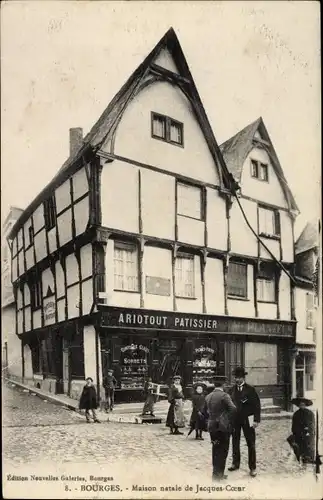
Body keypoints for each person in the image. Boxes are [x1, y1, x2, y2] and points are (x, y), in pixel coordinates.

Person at [228, 367, 261, 477]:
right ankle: (235, 463)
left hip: (249, 419)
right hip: (235, 420)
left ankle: (252, 468)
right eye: (236, 377)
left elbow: (257, 405)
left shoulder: (250, 389)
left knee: (251, 443)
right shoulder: (231, 390)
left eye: (240, 377)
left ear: (243, 378)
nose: (237, 380)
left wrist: (256, 420)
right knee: (235, 442)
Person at [205, 377, 236, 481]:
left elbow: (204, 412)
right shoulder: (224, 396)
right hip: (223, 427)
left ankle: (215, 475)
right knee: (223, 450)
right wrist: (226, 419)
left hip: (212, 427)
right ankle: (219, 476)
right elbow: (233, 409)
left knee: (215, 449)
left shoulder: (208, 396)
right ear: (223, 385)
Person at [287, 397, 315, 465]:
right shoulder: (296, 414)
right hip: (299, 432)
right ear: (298, 406)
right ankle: (301, 456)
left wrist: (308, 429)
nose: (302, 406)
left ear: (305, 405)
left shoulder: (310, 413)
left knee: (308, 443)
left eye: (303, 404)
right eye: (300, 405)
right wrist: (296, 432)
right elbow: (294, 425)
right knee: (297, 443)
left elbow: (312, 424)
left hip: (308, 432)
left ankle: (308, 457)